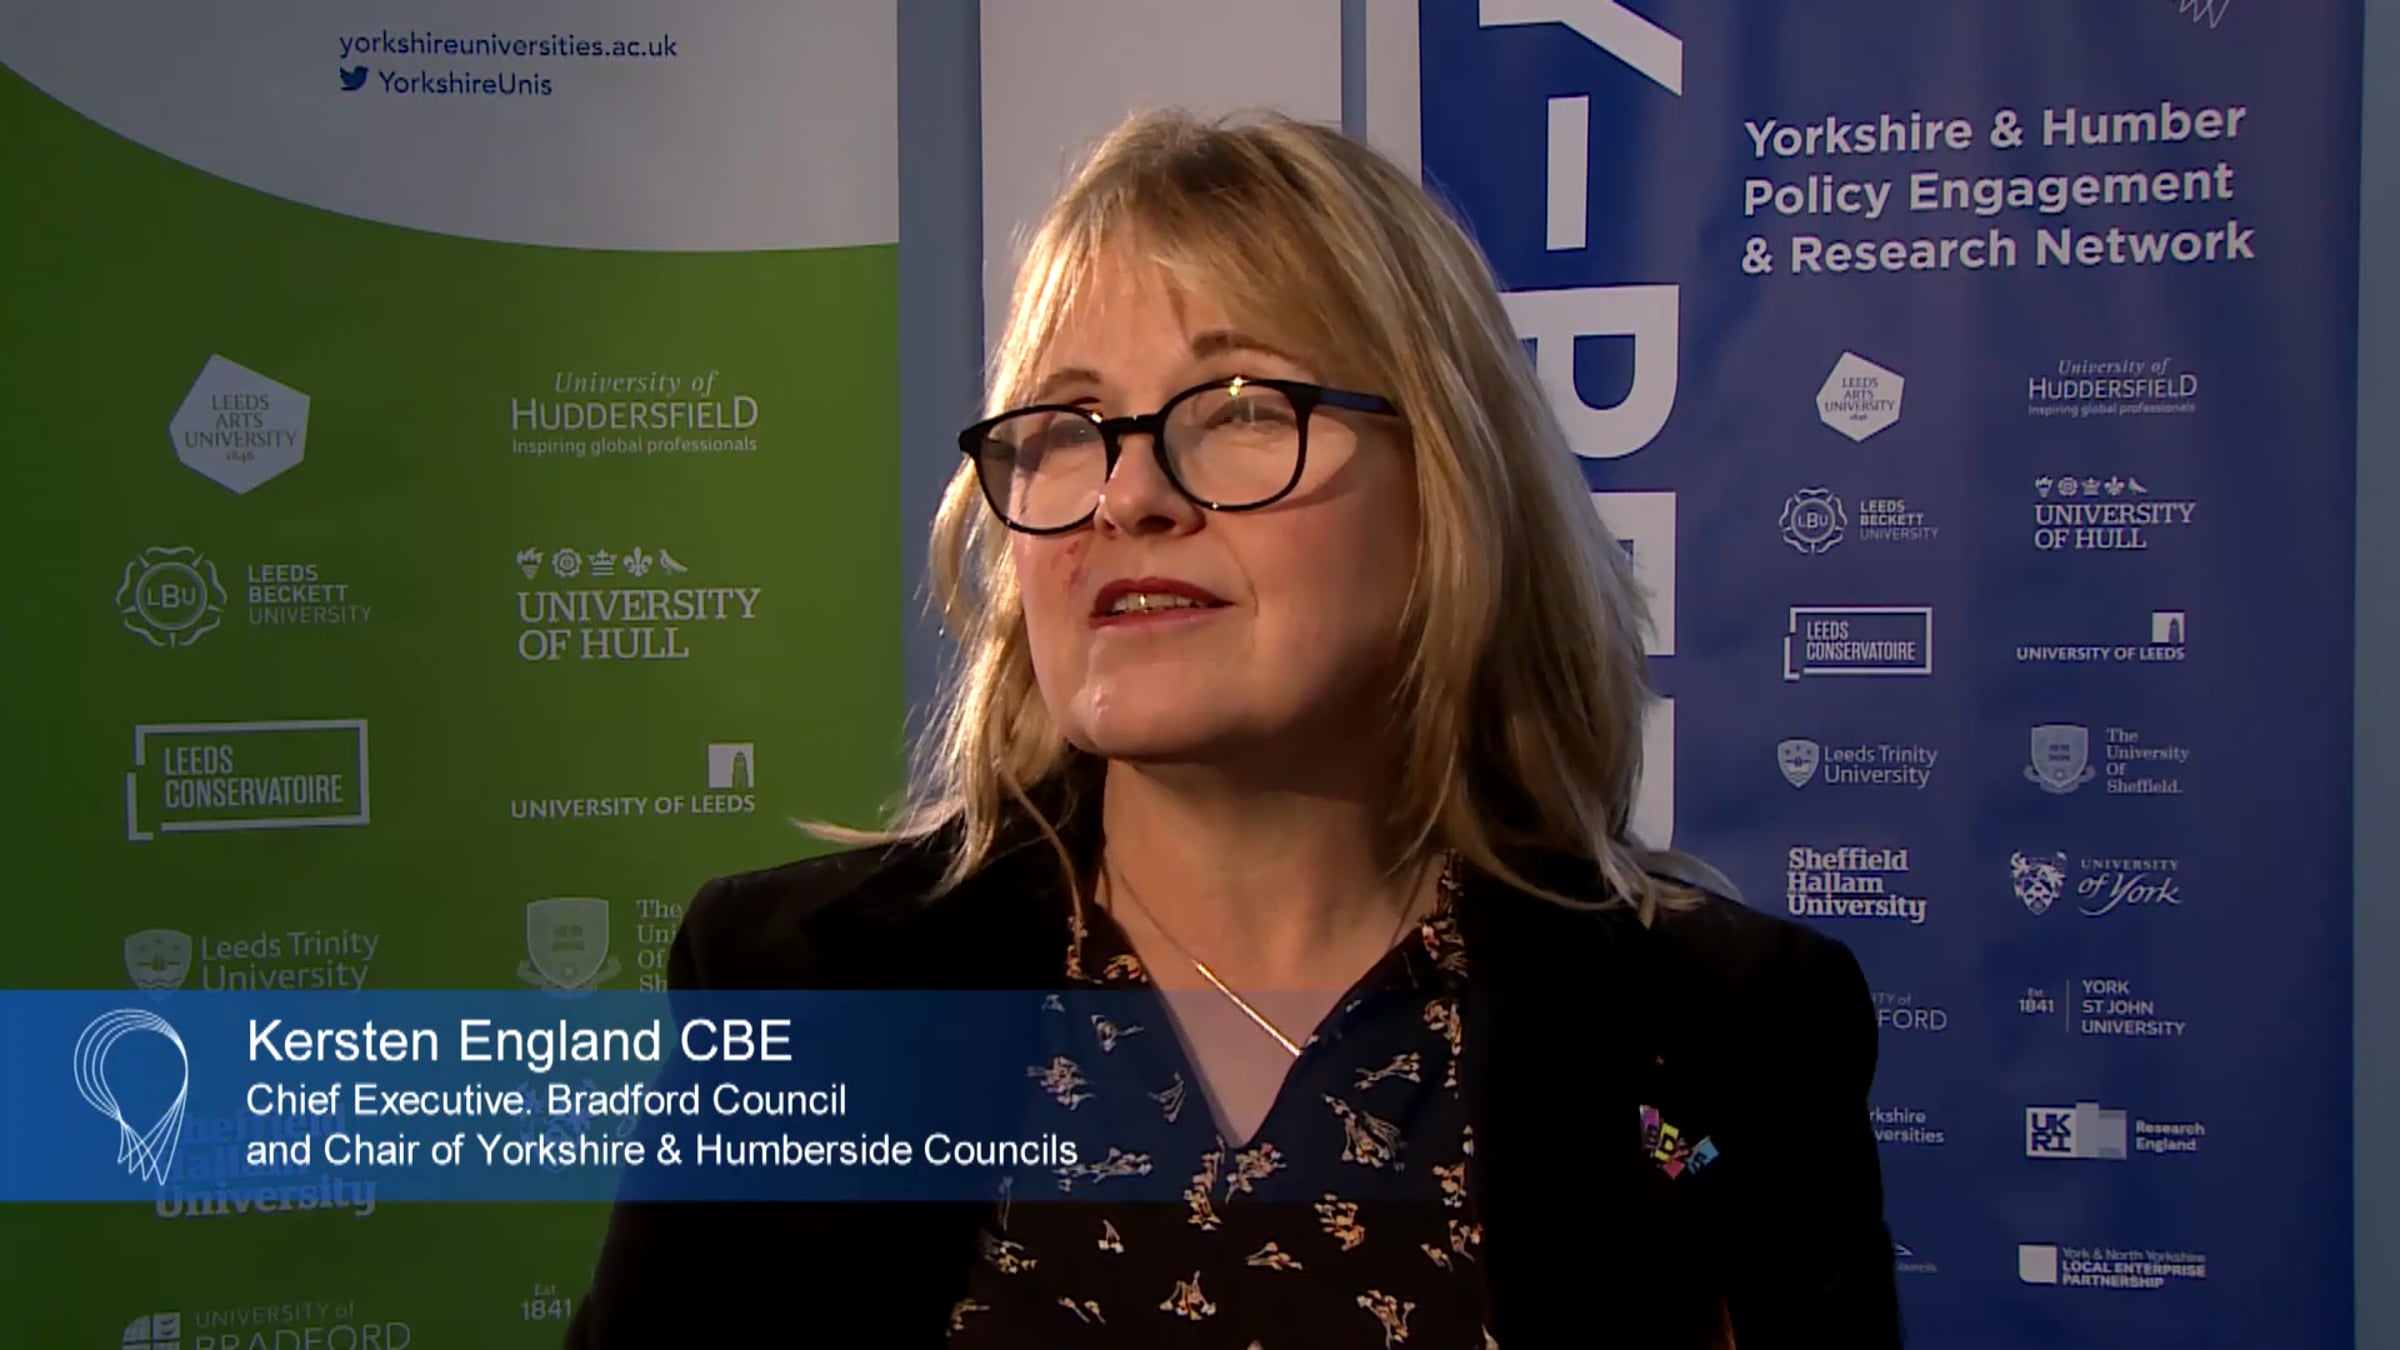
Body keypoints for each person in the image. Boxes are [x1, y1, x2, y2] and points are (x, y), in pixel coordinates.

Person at [565, 108, 1901, 1349]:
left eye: (1244, 409)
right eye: (1067, 428)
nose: (1129, 494)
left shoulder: (1721, 1036)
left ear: (1447, 484)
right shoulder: (801, 990)